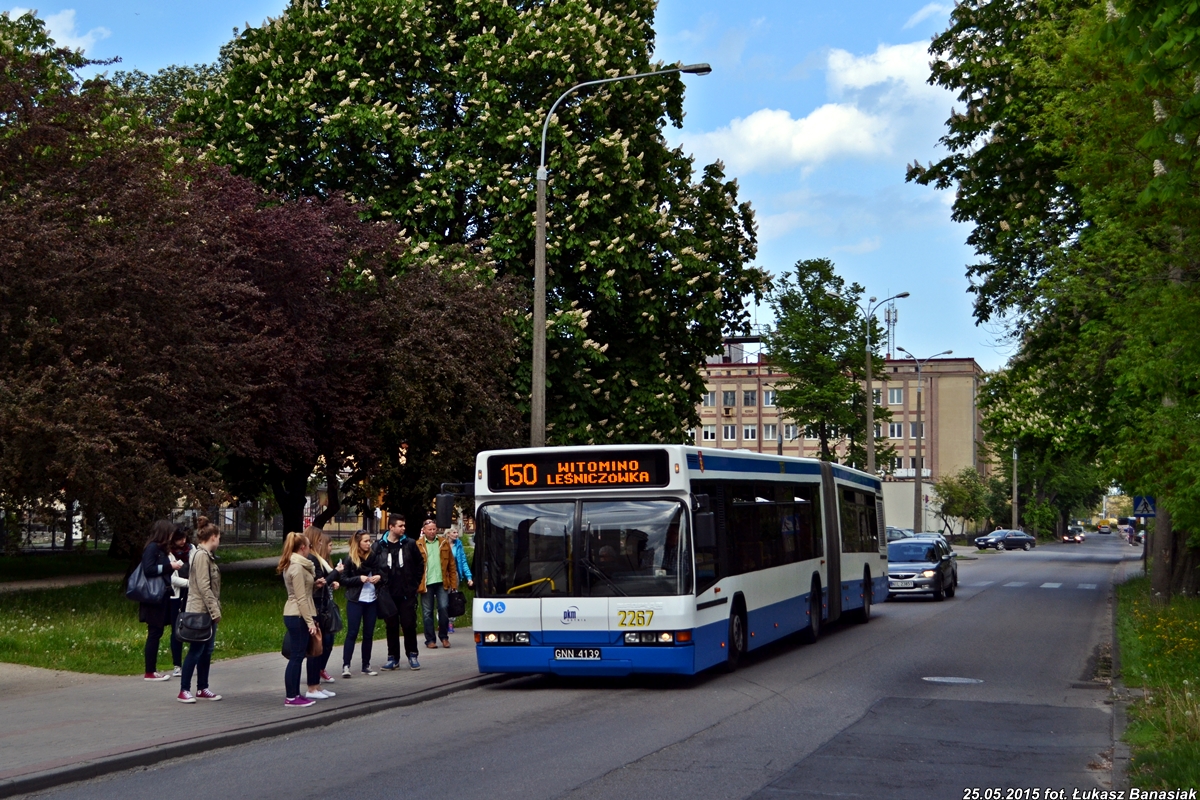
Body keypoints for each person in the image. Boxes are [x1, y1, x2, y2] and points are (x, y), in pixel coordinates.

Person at [178, 522, 222, 703]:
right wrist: (214, 610)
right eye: (219, 537)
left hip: (206, 611)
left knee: (207, 650)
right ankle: (184, 689)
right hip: (201, 611)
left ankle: (202, 687)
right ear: (213, 537)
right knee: (196, 650)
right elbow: (204, 586)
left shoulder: (205, 555)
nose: (219, 541)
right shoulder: (202, 556)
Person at [374, 515, 423, 670]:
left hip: (406, 593)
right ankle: (393, 658)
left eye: (404, 525)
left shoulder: (409, 544)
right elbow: (373, 566)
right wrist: (379, 584)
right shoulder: (379, 546)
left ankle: (412, 655)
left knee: (409, 624)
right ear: (391, 527)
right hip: (388, 593)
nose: (403, 528)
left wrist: (414, 585)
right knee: (391, 625)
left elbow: (419, 564)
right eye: (400, 526)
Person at [278, 532, 321, 707]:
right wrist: (310, 623)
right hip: (297, 615)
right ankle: (291, 696)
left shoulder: (298, 565)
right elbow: (301, 598)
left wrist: (315, 586)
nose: (311, 549)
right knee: (296, 656)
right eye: (309, 546)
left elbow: (304, 593)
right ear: (302, 548)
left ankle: (296, 694)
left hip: (298, 613)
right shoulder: (296, 567)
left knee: (299, 655)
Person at [140, 520, 184, 681]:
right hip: (154, 597)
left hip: (161, 596)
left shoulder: (159, 549)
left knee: (157, 632)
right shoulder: (152, 548)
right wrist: (169, 567)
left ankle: (151, 670)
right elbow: (149, 569)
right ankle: (150, 671)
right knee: (154, 632)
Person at [339, 530, 383, 677]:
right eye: (365, 541)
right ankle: (346, 665)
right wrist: (359, 578)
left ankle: (366, 665)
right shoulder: (350, 559)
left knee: (368, 634)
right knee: (352, 632)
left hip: (371, 599)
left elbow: (382, 573)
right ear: (358, 542)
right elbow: (343, 580)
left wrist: (378, 577)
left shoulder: (373, 557)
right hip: (356, 600)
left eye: (369, 540)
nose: (368, 543)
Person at [304, 527, 339, 693]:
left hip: (322, 604)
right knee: (316, 646)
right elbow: (319, 582)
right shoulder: (312, 559)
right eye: (318, 539)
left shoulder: (318, 558)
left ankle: (316, 683)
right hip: (316, 606)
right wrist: (336, 574)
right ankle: (312, 686)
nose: (320, 542)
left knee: (323, 644)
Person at [417, 519, 458, 650]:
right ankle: (430, 640)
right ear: (424, 530)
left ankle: (444, 637)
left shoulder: (443, 543)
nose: (432, 531)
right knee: (427, 612)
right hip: (426, 583)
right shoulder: (418, 545)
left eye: (434, 529)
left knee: (444, 608)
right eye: (430, 529)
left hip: (442, 582)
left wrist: (454, 583)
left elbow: (451, 565)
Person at [166, 523, 197, 678]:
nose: (182, 541)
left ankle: (193, 660)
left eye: (184, 538)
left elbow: (197, 567)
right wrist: (189, 583)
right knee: (176, 630)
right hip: (176, 595)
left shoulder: (191, 549)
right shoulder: (168, 553)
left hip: (191, 594)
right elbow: (170, 579)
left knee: (193, 626)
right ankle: (177, 664)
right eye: (179, 539)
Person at [446, 525, 473, 635]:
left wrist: (469, 577)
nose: (457, 535)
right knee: (442, 599)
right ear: (448, 534)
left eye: (457, 532)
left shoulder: (458, 545)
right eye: (454, 533)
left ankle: (450, 622)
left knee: (453, 597)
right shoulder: (442, 544)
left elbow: (463, 562)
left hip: (454, 575)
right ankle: (442, 621)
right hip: (442, 576)